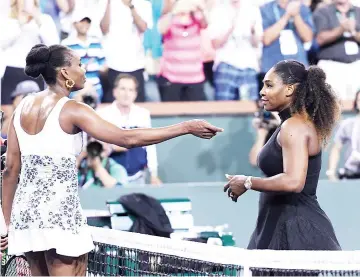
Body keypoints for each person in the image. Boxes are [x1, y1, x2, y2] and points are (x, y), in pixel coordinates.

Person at [0, 43, 223, 276]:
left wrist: (4, 226)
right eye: (79, 64)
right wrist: (185, 126)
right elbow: (128, 138)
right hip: (59, 216)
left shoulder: (22, 107)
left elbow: (10, 170)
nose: (85, 70)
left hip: (27, 216)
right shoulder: (73, 109)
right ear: (64, 72)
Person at [223, 59, 341, 250]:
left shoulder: (294, 126)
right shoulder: (291, 124)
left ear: (289, 89)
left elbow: (293, 182)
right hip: (277, 225)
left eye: (269, 85)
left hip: (296, 232)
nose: (262, 91)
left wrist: (247, 181)